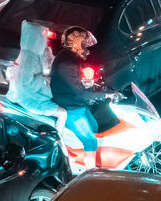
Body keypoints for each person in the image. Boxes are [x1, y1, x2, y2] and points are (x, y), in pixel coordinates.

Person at [50, 26, 119, 170]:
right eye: (85, 43)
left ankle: (81, 156)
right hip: (71, 108)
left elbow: (73, 83)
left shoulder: (68, 57)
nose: (87, 48)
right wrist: (106, 94)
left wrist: (89, 84)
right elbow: (82, 93)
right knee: (91, 141)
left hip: (77, 104)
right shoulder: (67, 63)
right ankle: (90, 174)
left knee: (94, 127)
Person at [7, 21, 68, 136]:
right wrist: (46, 81)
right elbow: (24, 83)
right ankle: (58, 141)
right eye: (43, 38)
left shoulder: (29, 54)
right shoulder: (29, 58)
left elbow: (45, 67)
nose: (45, 41)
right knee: (63, 113)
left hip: (31, 94)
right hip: (30, 98)